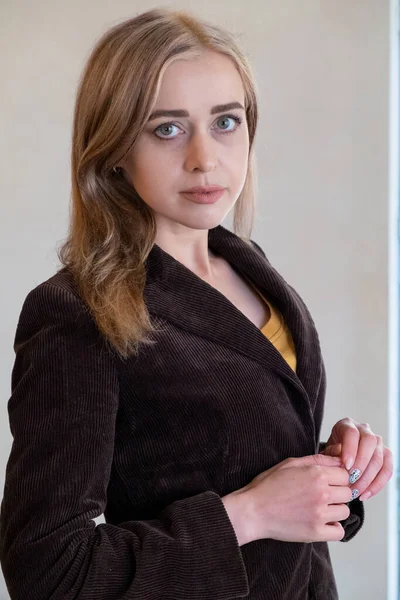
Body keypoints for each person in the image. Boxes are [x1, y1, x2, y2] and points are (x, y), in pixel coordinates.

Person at [0, 8, 393, 600]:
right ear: (113, 149)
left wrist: (332, 470)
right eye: (168, 129)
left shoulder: (251, 268)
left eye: (226, 122)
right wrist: (248, 515)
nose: (205, 159)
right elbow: (50, 570)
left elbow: (229, 459)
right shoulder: (76, 312)